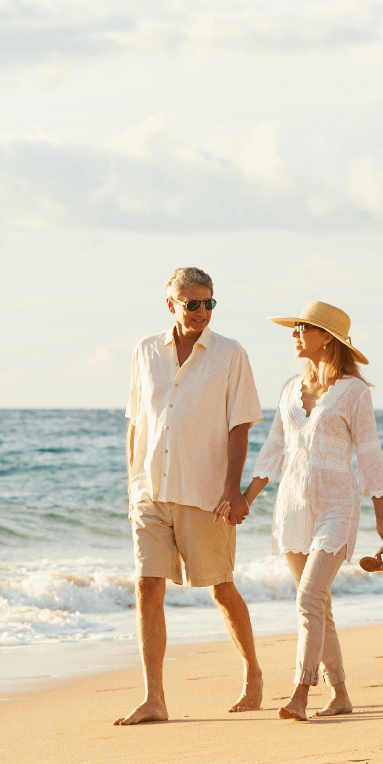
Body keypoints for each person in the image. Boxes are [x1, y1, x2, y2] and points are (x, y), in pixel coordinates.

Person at [231, 300, 383, 721]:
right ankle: (340, 693)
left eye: (302, 328)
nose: (294, 334)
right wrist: (246, 498)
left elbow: (369, 454)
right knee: (317, 604)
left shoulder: (355, 393)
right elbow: (274, 446)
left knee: (308, 596)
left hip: (336, 506)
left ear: (326, 336)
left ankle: (300, 693)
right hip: (292, 505)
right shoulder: (291, 388)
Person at [115, 267, 266, 726]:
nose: (202, 312)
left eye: (209, 303)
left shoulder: (230, 354)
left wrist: (232, 490)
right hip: (150, 490)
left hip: (205, 493)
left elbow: (240, 424)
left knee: (220, 587)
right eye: (192, 304)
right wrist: (131, 486)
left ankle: (254, 674)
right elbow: (136, 422)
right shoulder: (145, 351)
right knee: (147, 587)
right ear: (171, 304)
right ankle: (154, 698)